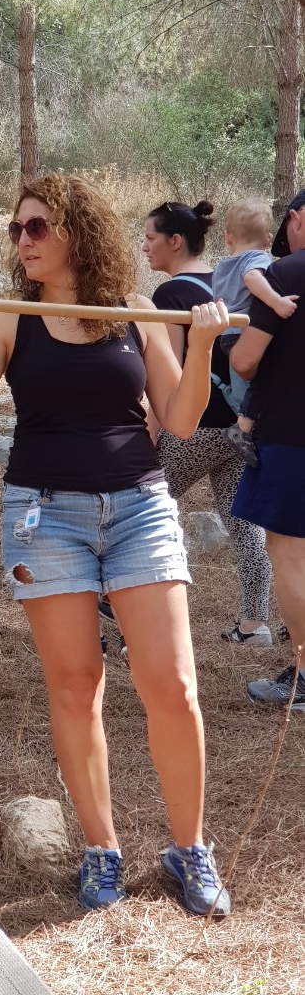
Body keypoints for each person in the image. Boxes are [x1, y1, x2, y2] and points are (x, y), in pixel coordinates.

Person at [0, 173, 232, 917]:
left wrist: (201, 343)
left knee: (172, 684)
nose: (25, 240)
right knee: (77, 686)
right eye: (18, 230)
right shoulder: (12, 314)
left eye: (38, 226)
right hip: (43, 517)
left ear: (78, 230)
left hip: (141, 507)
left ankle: (191, 851)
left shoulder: (132, 309)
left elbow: (179, 419)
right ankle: (101, 850)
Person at [142, 200, 274, 648]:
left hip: (194, 428)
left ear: (175, 241)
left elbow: (170, 377)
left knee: (143, 509)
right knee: (242, 523)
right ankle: (255, 624)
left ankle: (131, 613)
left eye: (150, 238)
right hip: (238, 424)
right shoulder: (226, 280)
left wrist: (150, 430)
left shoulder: (170, 296)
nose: (145, 247)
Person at [230, 191, 305, 710]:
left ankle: (304, 675)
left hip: (292, 436)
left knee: (291, 554)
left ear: (297, 220)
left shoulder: (287, 275)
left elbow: (246, 360)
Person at [213, 198, 299, 465]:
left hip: (227, 333)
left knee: (247, 383)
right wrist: (277, 302)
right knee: (258, 381)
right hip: (243, 331)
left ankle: (233, 406)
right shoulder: (258, 258)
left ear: (228, 238)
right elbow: (252, 279)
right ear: (267, 238)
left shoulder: (223, 264)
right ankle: (242, 428)